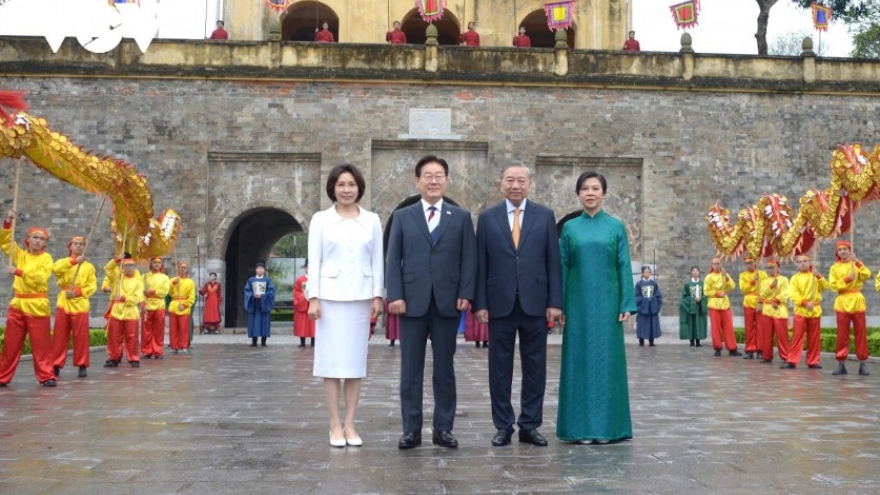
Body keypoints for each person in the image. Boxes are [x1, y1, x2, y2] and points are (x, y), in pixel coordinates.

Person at [386, 154, 477, 450]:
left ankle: (443, 429)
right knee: (410, 370)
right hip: (411, 303)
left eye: (439, 175)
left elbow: (469, 258)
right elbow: (392, 259)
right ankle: (411, 430)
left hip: (447, 302)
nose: (433, 180)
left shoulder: (460, 217)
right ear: (417, 181)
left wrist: (466, 291)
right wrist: (395, 294)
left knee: (445, 370)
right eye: (428, 175)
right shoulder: (402, 216)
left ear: (446, 181)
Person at [474, 161, 562, 448]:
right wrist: (480, 303)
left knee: (535, 367)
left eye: (521, 180)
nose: (515, 185)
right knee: (499, 368)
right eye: (510, 180)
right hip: (499, 303)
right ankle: (503, 425)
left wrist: (554, 302)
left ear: (529, 184)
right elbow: (481, 263)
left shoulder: (545, 216)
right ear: (501, 183)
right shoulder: (487, 218)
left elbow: (552, 261)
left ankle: (530, 424)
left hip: (535, 303)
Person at [307, 164, 384, 448]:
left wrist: (378, 294)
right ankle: (334, 424)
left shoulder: (372, 220)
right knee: (331, 363)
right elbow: (314, 259)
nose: (347, 189)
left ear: (359, 187)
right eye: (341, 184)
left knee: (354, 364)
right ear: (333, 188)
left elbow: (377, 260)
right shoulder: (321, 220)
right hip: (329, 298)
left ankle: (350, 423)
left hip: (361, 298)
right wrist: (312, 297)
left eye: (352, 184)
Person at [556, 171, 635, 444]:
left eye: (596, 188)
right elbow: (562, 267)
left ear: (604, 193)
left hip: (608, 305)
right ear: (578, 194)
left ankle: (609, 428)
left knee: (606, 362)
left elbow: (623, 264)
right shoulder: (570, 228)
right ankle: (578, 428)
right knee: (578, 362)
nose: (590, 193)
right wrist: (559, 305)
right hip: (577, 305)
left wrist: (627, 302)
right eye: (585, 189)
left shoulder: (615, 226)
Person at [0, 212, 56, 387]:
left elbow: (40, 278)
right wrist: (8, 224)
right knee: (11, 343)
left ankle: (46, 375)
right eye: (35, 237)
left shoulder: (46, 259)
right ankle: (2, 376)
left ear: (45, 243)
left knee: (41, 344)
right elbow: (6, 244)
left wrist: (18, 272)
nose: (38, 241)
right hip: (18, 303)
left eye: (41, 239)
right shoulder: (20, 255)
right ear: (28, 240)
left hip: (37, 304)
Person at [51, 235, 97, 379]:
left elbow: (92, 286)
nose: (78, 246)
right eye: (75, 244)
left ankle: (82, 364)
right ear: (70, 246)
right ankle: (56, 364)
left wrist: (78, 292)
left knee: (81, 336)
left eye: (81, 244)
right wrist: (73, 262)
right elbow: (55, 270)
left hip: (80, 304)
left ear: (84, 247)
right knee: (59, 336)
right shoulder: (64, 262)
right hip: (64, 302)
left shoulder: (89, 267)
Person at [829, 240, 870, 376]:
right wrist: (847, 279)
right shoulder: (834, 268)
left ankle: (863, 363)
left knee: (861, 333)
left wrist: (857, 261)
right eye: (840, 250)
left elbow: (867, 275)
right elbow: (833, 285)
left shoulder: (856, 264)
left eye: (845, 249)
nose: (842, 251)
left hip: (857, 300)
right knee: (842, 335)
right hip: (842, 301)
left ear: (850, 250)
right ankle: (841, 363)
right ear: (837, 253)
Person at [787, 254, 829, 369]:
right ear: (797, 265)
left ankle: (813, 361)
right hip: (801, 310)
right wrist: (805, 303)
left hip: (814, 310)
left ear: (810, 263)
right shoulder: (795, 278)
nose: (803, 263)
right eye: (800, 262)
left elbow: (826, 287)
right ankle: (792, 360)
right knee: (797, 336)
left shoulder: (815, 276)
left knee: (814, 337)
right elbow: (793, 294)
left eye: (805, 261)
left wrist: (819, 276)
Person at [103, 255, 144, 368]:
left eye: (132, 266)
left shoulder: (138, 282)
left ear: (135, 267)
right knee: (114, 336)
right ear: (123, 267)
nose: (129, 268)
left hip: (131, 312)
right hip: (116, 311)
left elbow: (137, 298)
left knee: (132, 337)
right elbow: (107, 269)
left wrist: (124, 298)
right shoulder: (117, 278)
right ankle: (113, 358)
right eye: (127, 266)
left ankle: (133, 358)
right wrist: (116, 260)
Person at [704, 258, 742, 357]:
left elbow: (732, 286)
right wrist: (716, 293)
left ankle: (732, 348)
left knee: (728, 327)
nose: (716, 266)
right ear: (712, 265)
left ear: (721, 265)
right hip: (714, 305)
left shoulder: (725, 275)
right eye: (714, 264)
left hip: (725, 304)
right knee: (716, 328)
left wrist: (726, 277)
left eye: (718, 264)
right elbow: (706, 292)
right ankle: (717, 348)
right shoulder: (709, 277)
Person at [758, 259, 790, 366]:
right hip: (767, 309)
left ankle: (786, 356)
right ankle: (767, 355)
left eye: (772, 267)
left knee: (782, 334)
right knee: (766, 334)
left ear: (777, 268)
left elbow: (786, 293)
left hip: (779, 309)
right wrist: (772, 286)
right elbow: (762, 294)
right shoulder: (764, 281)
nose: (770, 270)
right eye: (768, 268)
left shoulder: (784, 279)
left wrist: (777, 299)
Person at [142, 256, 170, 359]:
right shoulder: (144, 276)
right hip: (147, 305)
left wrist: (152, 292)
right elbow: (140, 291)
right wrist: (142, 303)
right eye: (155, 262)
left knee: (158, 330)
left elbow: (165, 291)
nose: (157, 264)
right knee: (146, 330)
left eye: (159, 262)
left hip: (159, 305)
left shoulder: (165, 278)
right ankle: (146, 351)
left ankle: (158, 351)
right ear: (151, 264)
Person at [738, 257, 766, 360]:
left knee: (760, 327)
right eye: (747, 263)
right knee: (749, 327)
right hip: (748, 301)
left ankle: (760, 350)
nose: (749, 265)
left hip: (760, 302)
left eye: (751, 262)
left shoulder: (762, 274)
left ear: (755, 262)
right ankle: (749, 350)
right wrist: (752, 281)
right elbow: (744, 289)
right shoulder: (743, 275)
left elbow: (765, 288)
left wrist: (761, 302)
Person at [244, 261, 276, 347]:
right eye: (258, 268)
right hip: (254, 305)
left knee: (264, 323)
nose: (260, 270)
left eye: (262, 268)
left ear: (264, 270)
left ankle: (263, 342)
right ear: (256, 270)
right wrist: (252, 295)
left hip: (263, 305)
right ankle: (254, 341)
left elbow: (271, 293)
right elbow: (247, 291)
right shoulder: (251, 280)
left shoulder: (268, 281)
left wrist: (262, 296)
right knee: (254, 323)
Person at [168, 262, 196, 354]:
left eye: (184, 268)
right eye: (181, 267)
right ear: (178, 269)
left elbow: (192, 296)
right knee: (173, 328)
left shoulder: (190, 282)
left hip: (183, 306)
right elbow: (167, 291)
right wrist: (173, 283)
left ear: (187, 269)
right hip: (174, 305)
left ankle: (184, 346)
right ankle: (174, 346)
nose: (183, 269)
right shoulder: (173, 280)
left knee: (184, 328)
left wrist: (184, 305)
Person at [679, 266, 707, 347]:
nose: (695, 272)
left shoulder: (702, 283)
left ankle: (698, 341)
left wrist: (701, 298)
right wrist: (693, 299)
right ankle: (691, 341)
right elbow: (684, 297)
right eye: (693, 271)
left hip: (699, 307)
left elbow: (706, 295)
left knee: (698, 324)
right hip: (691, 307)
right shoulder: (687, 284)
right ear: (691, 273)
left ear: (699, 272)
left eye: (696, 271)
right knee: (691, 324)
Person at [634, 266, 662, 347]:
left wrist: (652, 300)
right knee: (642, 324)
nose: (647, 273)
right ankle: (641, 341)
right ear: (642, 273)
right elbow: (636, 296)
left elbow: (658, 295)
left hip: (651, 308)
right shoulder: (639, 284)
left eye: (648, 272)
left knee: (651, 324)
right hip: (643, 308)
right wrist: (645, 300)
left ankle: (651, 341)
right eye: (645, 272)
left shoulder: (653, 283)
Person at [293, 260, 315, 348]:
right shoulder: (300, 280)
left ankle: (314, 342)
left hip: (313, 304)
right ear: (305, 268)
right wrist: (304, 297)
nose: (308, 269)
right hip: (303, 305)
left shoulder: (316, 280)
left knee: (314, 325)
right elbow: (296, 293)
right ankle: (302, 342)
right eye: (307, 267)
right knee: (302, 325)